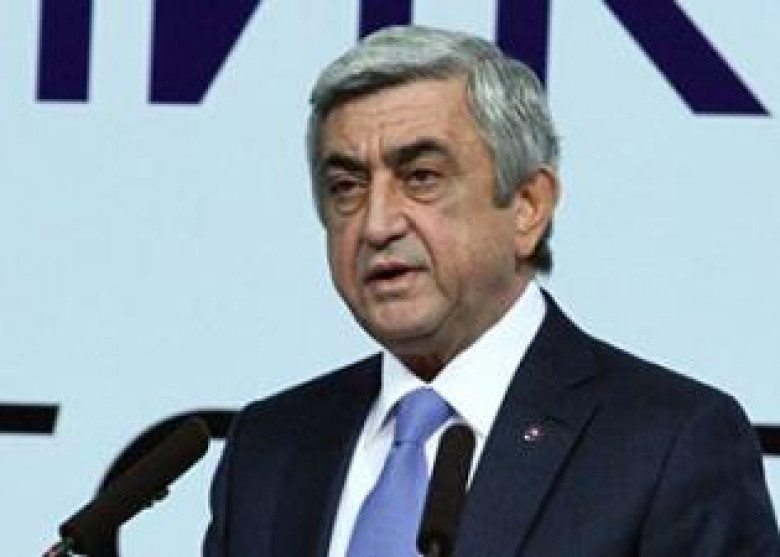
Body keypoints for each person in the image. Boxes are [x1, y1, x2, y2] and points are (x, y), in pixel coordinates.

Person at [203, 25, 780, 557]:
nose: (376, 224)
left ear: (527, 207)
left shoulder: (669, 444)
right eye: (346, 186)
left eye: (421, 178)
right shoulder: (268, 448)